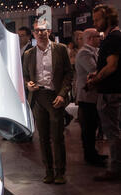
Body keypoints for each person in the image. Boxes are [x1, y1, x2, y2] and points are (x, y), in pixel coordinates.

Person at [23, 20, 73, 184]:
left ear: (49, 31)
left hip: (55, 97)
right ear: (34, 33)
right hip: (37, 97)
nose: (40, 33)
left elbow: (68, 74)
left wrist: (62, 94)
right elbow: (24, 76)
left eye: (43, 30)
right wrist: (28, 84)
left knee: (57, 137)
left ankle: (60, 172)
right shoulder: (29, 54)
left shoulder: (60, 49)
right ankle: (49, 171)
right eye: (37, 31)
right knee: (43, 138)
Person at [86, 4, 121, 181]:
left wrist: (96, 79)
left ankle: (115, 170)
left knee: (113, 133)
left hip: (110, 93)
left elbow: (112, 66)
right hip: (110, 91)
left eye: (97, 19)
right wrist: (97, 74)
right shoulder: (112, 37)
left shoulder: (114, 37)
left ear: (107, 18)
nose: (95, 22)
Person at [75, 28, 107, 167]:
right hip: (87, 96)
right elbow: (94, 70)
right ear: (89, 39)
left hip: (93, 96)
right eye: (97, 36)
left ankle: (93, 153)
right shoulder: (84, 53)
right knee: (88, 128)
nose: (100, 38)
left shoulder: (94, 51)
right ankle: (90, 156)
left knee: (92, 126)